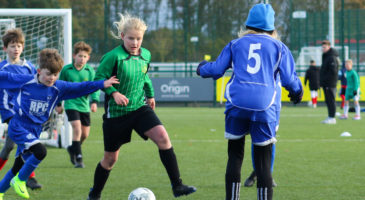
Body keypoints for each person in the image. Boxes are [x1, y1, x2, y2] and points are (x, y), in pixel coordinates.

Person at [196, 3, 303, 200]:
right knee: (263, 161)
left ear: (248, 24)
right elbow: (289, 81)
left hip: (236, 104)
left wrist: (201, 68)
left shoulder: (235, 44)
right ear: (272, 27)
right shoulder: (280, 47)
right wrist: (297, 93)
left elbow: (217, 70)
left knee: (235, 157)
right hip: (264, 106)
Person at [87, 13, 196, 200]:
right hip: (117, 114)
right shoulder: (112, 57)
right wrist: (114, 92)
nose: (135, 42)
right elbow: (99, 79)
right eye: (131, 38)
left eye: (138, 38)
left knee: (163, 137)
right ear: (122, 36)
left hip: (139, 107)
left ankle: (177, 186)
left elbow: (144, 75)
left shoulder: (146, 55)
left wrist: (150, 94)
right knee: (110, 159)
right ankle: (95, 194)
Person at [0, 48, 119, 200]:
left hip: (35, 130)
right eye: (48, 74)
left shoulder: (58, 87)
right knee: (41, 152)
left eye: (55, 75)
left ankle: (0, 191)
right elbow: (3, 76)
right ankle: (20, 181)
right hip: (18, 126)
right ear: (39, 71)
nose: (51, 78)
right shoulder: (25, 80)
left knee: (18, 165)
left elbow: (81, 87)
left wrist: (102, 83)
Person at [0, 28, 42, 190]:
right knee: (20, 144)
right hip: (10, 112)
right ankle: (28, 178)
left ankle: (27, 178)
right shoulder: (2, 68)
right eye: (12, 46)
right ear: (5, 49)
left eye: (18, 45)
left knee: (11, 147)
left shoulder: (29, 68)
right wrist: (7, 113)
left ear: (23, 48)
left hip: (26, 113)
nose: (16, 49)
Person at [57, 41, 99, 168]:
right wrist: (58, 103)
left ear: (88, 58)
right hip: (70, 103)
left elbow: (94, 87)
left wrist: (95, 102)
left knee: (85, 134)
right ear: (74, 56)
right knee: (77, 128)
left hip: (84, 105)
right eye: (80, 56)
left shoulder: (90, 71)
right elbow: (59, 86)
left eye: (85, 56)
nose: (82, 59)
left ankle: (72, 149)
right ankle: (79, 159)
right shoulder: (66, 70)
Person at [320, 40, 339, 124]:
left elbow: (333, 71)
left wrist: (327, 81)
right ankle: (330, 116)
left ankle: (332, 118)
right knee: (328, 100)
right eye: (322, 47)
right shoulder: (326, 56)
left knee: (331, 100)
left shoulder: (331, 57)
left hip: (330, 83)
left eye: (324, 47)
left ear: (329, 47)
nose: (323, 49)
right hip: (326, 83)